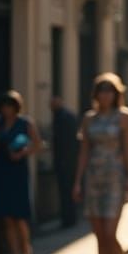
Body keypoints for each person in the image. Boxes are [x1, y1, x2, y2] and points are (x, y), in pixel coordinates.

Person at [72, 73, 128, 254]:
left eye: (110, 90)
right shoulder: (89, 119)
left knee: (110, 234)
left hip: (115, 179)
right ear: (96, 94)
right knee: (100, 237)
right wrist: (78, 182)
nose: (106, 94)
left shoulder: (124, 117)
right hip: (93, 180)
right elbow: (83, 152)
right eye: (102, 90)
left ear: (117, 93)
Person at [0, 90, 42, 254]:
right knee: (6, 216)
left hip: (18, 171)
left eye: (9, 106)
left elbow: (37, 144)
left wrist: (23, 152)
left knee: (19, 215)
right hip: (2, 170)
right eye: (4, 107)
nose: (6, 110)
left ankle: (25, 247)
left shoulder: (26, 123)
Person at [50, 96, 79, 227]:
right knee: (66, 191)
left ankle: (69, 218)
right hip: (66, 161)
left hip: (66, 161)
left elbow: (69, 142)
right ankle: (68, 217)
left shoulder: (65, 118)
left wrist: (65, 160)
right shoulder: (62, 117)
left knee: (67, 191)